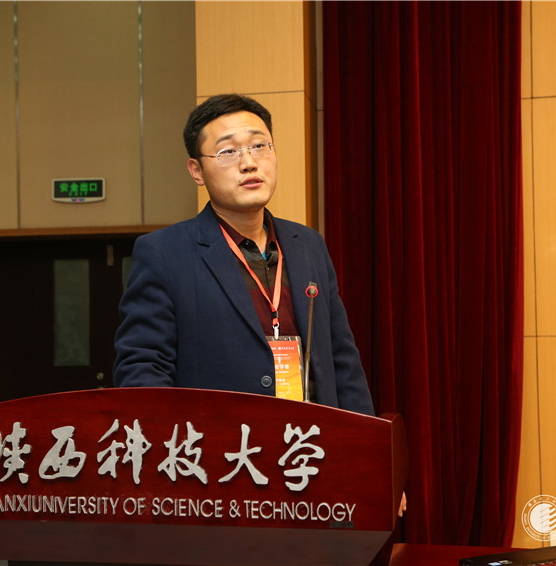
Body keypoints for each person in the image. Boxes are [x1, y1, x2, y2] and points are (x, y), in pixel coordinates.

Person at [112, 93, 375, 416]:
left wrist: (364, 440)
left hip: (310, 441)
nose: (249, 162)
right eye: (228, 152)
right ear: (197, 171)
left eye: (259, 145)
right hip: (220, 442)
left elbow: (342, 359)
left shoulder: (308, 244)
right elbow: (143, 368)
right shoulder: (165, 253)